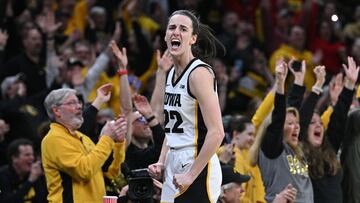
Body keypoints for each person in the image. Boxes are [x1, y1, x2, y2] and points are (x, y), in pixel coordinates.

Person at [148, 10, 225, 203]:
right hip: (174, 161)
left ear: (192, 39)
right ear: (165, 35)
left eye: (183, 29)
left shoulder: (199, 73)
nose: (176, 32)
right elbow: (173, 129)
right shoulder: (171, 73)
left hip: (197, 162)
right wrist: (161, 160)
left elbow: (217, 133)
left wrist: (191, 174)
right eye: (172, 28)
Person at [41, 88, 127, 202]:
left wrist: (118, 143)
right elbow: (84, 171)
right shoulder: (54, 139)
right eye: (72, 103)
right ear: (56, 111)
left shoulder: (84, 138)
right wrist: (107, 138)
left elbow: (111, 172)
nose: (79, 106)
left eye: (79, 102)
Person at [258, 58, 313, 203]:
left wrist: (299, 80)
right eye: (290, 123)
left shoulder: (295, 148)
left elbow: (293, 110)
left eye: (297, 123)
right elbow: (279, 118)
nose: (296, 126)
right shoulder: (272, 148)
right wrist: (281, 83)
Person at [0, 138, 47, 202]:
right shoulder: (3, 176)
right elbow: (6, 201)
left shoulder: (34, 174)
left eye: (32, 154)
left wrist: (44, 178)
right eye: (27, 155)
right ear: (14, 158)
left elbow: (42, 199)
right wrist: (30, 181)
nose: (32, 158)